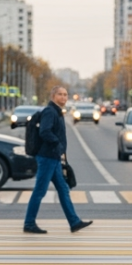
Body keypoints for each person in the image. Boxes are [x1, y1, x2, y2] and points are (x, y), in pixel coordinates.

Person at [23, 86, 92, 235]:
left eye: (65, 95)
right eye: (60, 94)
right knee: (39, 191)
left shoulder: (57, 112)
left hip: (53, 158)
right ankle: (29, 223)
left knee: (63, 189)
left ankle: (74, 222)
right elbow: (45, 132)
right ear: (53, 96)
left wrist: (61, 153)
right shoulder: (50, 111)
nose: (63, 97)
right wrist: (57, 144)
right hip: (47, 157)